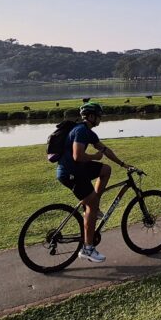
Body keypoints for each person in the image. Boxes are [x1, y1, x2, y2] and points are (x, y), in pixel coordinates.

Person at [56, 101, 131, 264]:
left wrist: (123, 164)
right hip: (70, 173)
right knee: (90, 205)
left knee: (106, 170)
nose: (100, 118)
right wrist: (95, 157)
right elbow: (78, 156)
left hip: (78, 170)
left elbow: (105, 150)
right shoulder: (81, 131)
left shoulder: (89, 133)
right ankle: (87, 248)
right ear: (90, 116)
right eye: (98, 116)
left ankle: (94, 206)